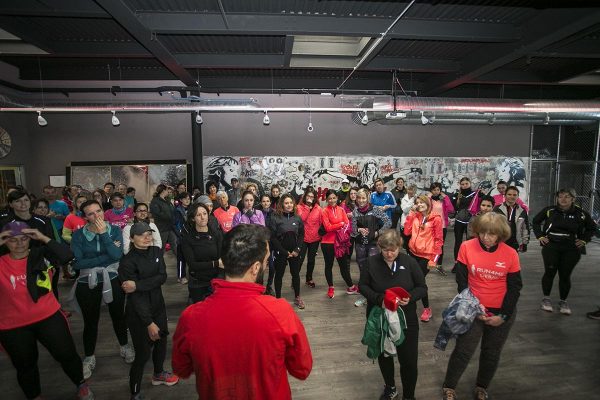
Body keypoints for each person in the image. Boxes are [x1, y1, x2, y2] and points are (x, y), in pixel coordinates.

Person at [172, 224, 312, 399]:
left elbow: (181, 368)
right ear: (255, 268)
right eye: (266, 261)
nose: (267, 267)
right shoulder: (280, 312)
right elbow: (302, 369)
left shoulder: (191, 317)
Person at [0, 222, 94, 400]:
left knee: (67, 354)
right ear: (5, 241)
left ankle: (81, 383)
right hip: (12, 325)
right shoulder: (1, 263)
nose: (19, 243)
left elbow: (67, 255)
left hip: (48, 317)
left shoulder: (41, 256)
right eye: (13, 240)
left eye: (24, 238)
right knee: (25, 365)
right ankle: (34, 396)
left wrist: (43, 237)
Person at [441, 213, 522, 400]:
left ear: (500, 235)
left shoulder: (510, 254)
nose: (486, 237)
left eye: (492, 234)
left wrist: (503, 316)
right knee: (463, 350)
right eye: (483, 232)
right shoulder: (466, 247)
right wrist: (474, 308)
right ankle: (450, 386)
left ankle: (481, 387)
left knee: (492, 352)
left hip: (501, 311)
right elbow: (462, 281)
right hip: (473, 308)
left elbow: (515, 288)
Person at [358, 229, 427, 400]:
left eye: (393, 250)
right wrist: (378, 298)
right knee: (384, 355)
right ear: (380, 247)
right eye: (385, 250)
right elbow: (363, 286)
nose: (389, 254)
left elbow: (422, 288)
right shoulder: (371, 262)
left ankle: (409, 395)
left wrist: (410, 298)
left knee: (409, 360)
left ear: (399, 247)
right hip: (380, 317)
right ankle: (390, 387)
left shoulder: (409, 262)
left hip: (407, 318)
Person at [70, 200, 133, 379]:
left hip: (112, 278)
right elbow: (77, 263)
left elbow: (117, 255)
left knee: (118, 316)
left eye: (98, 211)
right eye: (90, 213)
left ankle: (124, 346)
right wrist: (104, 259)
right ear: (85, 217)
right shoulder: (78, 235)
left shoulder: (114, 230)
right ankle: (89, 357)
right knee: (90, 321)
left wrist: (104, 235)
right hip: (87, 281)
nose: (96, 215)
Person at [118, 222, 179, 400]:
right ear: (131, 238)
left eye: (149, 234)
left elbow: (162, 277)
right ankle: (134, 392)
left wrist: (137, 285)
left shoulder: (156, 252)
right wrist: (148, 323)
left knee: (161, 342)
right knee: (143, 353)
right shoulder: (127, 262)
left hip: (158, 306)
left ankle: (158, 374)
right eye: (141, 234)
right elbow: (135, 297)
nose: (147, 237)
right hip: (139, 313)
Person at [532, 188, 596, 315]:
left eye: (567, 197)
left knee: (565, 275)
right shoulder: (550, 210)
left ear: (573, 199)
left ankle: (563, 301)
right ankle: (546, 299)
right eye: (560, 196)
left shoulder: (581, 213)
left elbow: (591, 228)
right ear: (557, 198)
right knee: (550, 272)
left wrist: (584, 240)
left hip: (571, 248)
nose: (563, 199)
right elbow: (535, 221)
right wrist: (540, 236)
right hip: (552, 246)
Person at [404, 195, 443, 322]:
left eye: (422, 202)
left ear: (428, 203)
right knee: (412, 279)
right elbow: (406, 232)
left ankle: (426, 308)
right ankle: (410, 303)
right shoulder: (415, 215)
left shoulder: (436, 219)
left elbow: (439, 240)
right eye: (417, 202)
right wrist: (411, 213)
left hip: (426, 256)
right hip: (413, 253)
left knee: (418, 281)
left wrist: (434, 259)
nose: (419, 204)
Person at [351, 188, 391, 307]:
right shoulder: (355, 212)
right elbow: (352, 231)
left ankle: (376, 295)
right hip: (360, 245)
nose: (361, 200)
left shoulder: (375, 209)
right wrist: (358, 229)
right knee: (363, 270)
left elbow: (388, 221)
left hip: (373, 244)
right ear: (356, 199)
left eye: (363, 198)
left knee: (374, 268)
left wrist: (378, 233)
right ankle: (364, 295)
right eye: (359, 198)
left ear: (367, 198)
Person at [181, 203, 223, 303]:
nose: (202, 217)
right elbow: (193, 265)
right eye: (198, 215)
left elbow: (221, 257)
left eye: (204, 213)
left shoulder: (216, 234)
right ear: (193, 218)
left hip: (215, 282)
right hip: (198, 283)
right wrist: (216, 263)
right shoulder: (188, 239)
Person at [269, 194, 305, 308]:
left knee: (296, 275)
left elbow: (301, 235)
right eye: (286, 203)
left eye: (291, 203)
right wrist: (284, 252)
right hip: (281, 252)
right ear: (281, 205)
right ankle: (278, 298)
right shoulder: (275, 217)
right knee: (279, 275)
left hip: (294, 253)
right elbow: (273, 237)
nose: (289, 205)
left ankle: (298, 297)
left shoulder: (297, 218)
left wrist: (297, 249)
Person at [321, 189, 358, 299]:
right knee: (329, 265)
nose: (332, 200)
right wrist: (340, 224)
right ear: (327, 200)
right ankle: (331, 287)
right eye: (330, 198)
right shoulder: (324, 211)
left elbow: (347, 225)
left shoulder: (341, 209)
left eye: (334, 198)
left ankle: (351, 286)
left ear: (337, 198)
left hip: (340, 242)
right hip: (327, 243)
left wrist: (338, 225)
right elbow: (327, 228)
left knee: (343, 266)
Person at [450, 177, 480, 272]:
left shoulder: (476, 194)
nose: (464, 186)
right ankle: (456, 263)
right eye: (462, 184)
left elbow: (483, 203)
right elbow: (453, 208)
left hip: (471, 221)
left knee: (470, 243)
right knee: (458, 242)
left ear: (470, 183)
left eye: (466, 183)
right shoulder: (457, 195)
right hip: (459, 221)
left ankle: (469, 264)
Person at [297, 187, 322, 288]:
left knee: (311, 260)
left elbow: (320, 223)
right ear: (305, 196)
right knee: (300, 259)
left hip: (314, 238)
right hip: (303, 238)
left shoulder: (319, 209)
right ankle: (295, 278)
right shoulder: (299, 207)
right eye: (308, 196)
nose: (310, 198)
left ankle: (309, 278)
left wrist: (320, 236)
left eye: (312, 197)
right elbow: (302, 218)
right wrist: (307, 206)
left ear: (315, 198)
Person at [493, 186, 530, 252]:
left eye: (514, 195)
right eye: (509, 194)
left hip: (515, 242)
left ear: (518, 196)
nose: (512, 197)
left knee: (512, 261)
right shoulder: (497, 209)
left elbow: (525, 228)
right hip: (500, 241)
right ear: (505, 195)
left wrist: (524, 243)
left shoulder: (522, 211)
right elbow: (492, 226)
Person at [428, 182, 455, 271]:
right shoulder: (429, 199)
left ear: (440, 190)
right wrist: (428, 197)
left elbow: (451, 210)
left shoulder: (443, 200)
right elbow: (425, 209)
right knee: (430, 244)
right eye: (434, 190)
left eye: (438, 190)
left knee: (440, 246)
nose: (436, 192)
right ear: (431, 191)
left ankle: (439, 264)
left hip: (442, 226)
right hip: (431, 226)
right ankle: (430, 262)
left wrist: (446, 198)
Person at [150, 184, 178, 255]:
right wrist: (169, 216)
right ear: (163, 191)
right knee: (161, 247)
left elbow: (172, 210)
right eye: (166, 190)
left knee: (175, 244)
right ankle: (159, 263)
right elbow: (157, 214)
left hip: (170, 227)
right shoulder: (155, 201)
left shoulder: (167, 200)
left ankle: (181, 261)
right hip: (162, 228)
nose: (168, 192)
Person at [258, 194, 276, 295]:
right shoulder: (257, 212)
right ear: (261, 202)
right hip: (261, 243)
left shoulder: (274, 213)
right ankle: (260, 286)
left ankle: (269, 286)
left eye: (267, 201)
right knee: (261, 267)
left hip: (272, 243)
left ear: (270, 202)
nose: (266, 203)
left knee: (272, 267)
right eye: (264, 201)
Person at [174, 192, 192, 284]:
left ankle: (191, 275)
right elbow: (175, 225)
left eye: (188, 198)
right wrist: (180, 234)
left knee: (191, 257)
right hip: (181, 238)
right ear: (181, 200)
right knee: (181, 259)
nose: (187, 200)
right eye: (185, 198)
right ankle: (181, 276)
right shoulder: (177, 210)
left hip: (191, 237)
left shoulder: (192, 209)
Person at [398, 184, 417, 252]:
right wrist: (412, 202)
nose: (411, 191)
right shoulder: (404, 199)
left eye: (412, 190)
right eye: (409, 189)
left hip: (414, 223)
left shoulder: (417, 199)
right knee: (406, 241)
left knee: (413, 241)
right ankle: (408, 253)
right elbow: (405, 210)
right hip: (405, 222)